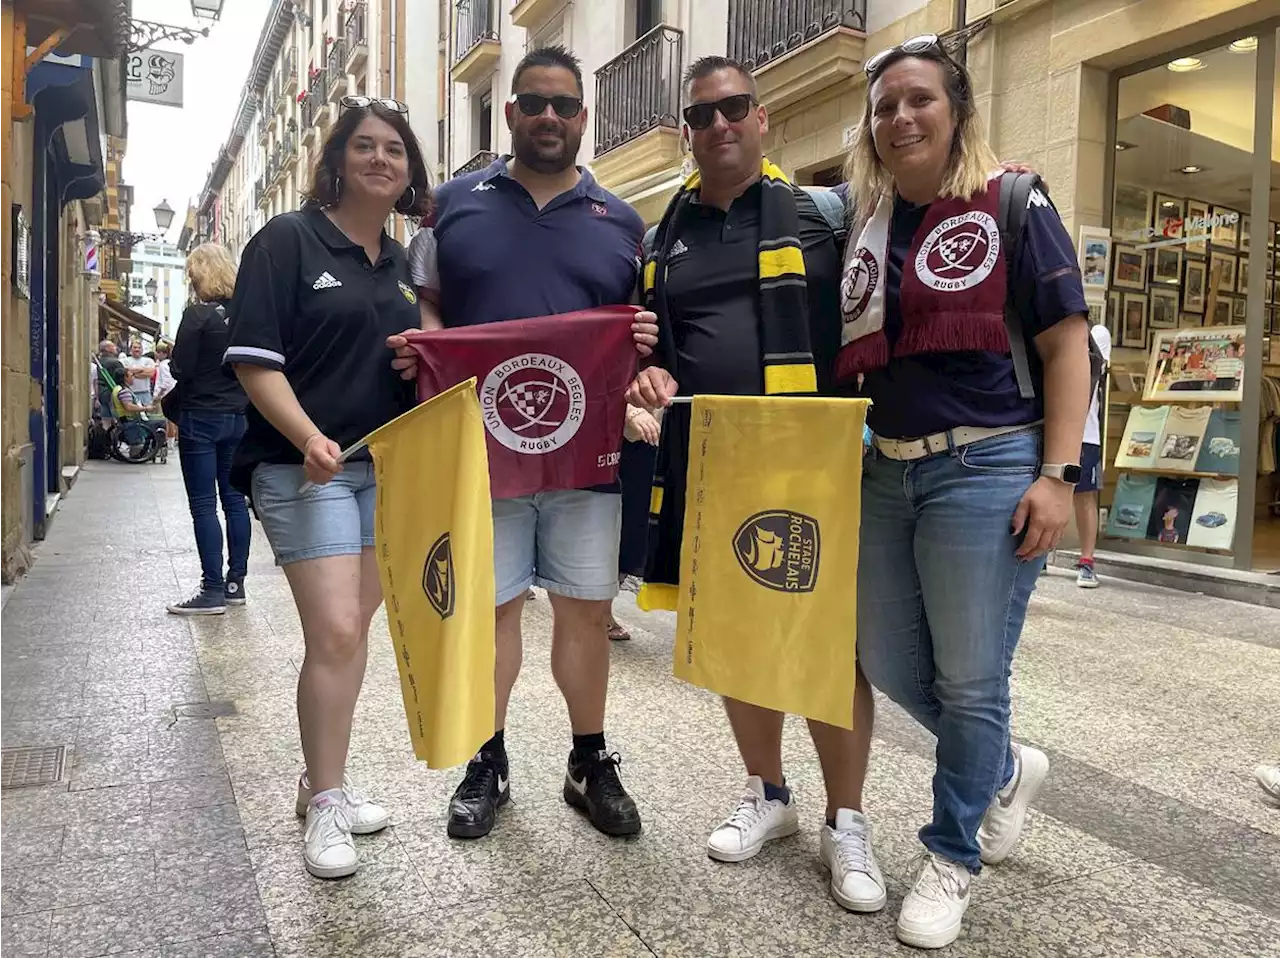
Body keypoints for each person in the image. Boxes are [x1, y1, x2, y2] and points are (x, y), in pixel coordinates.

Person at [838, 35, 1090, 948]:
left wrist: (1059, 477)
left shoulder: (1013, 201)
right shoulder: (864, 224)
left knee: (972, 679)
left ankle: (951, 853)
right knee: (886, 657)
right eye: (886, 106)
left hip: (989, 465)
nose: (901, 117)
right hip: (886, 466)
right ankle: (1003, 771)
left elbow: (1067, 343)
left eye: (920, 100)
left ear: (957, 112)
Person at [625, 56, 886, 914]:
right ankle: (768, 794)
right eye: (702, 116)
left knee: (829, 643)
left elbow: (872, 316)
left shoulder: (825, 214)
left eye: (734, 108)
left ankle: (847, 818)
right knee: (738, 633)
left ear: (762, 118)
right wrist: (650, 375)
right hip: (716, 457)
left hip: (813, 459)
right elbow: (651, 346)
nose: (720, 125)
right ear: (689, 131)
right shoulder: (666, 234)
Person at [392, 45, 655, 841]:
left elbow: (634, 335)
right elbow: (426, 303)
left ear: (584, 117)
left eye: (564, 106)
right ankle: (488, 759)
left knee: (585, 611)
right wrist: (428, 352)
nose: (548, 117)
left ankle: (588, 758)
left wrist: (642, 343)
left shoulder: (624, 222)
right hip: (483, 456)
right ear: (509, 113)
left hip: (587, 460)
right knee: (491, 612)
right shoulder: (451, 206)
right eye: (533, 103)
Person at [224, 97, 431, 879]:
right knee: (339, 630)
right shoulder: (287, 240)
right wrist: (307, 434)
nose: (382, 160)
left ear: (410, 172)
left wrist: (420, 359)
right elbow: (254, 359)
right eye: (366, 147)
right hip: (302, 468)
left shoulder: (406, 263)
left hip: (386, 470)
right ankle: (328, 802)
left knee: (346, 633)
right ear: (338, 159)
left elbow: (419, 359)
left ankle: (322, 782)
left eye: (396, 152)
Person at [166, 244, 252, 617]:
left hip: (201, 417)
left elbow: (180, 367)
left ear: (201, 274)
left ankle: (211, 590)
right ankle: (236, 585)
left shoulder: (197, 315)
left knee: (204, 505)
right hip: (240, 415)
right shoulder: (245, 312)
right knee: (234, 501)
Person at [607, 405, 661, 642]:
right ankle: (600, 608)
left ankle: (601, 607)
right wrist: (630, 410)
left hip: (662, 435)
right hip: (621, 436)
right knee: (622, 523)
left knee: (639, 530)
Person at [1075, 321, 1111, 588]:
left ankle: (1087, 561)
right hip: (1051, 426)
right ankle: (1038, 557)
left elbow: (1095, 368)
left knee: (1085, 495)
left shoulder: (1098, 333)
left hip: (1086, 432)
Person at [153, 341, 178, 445]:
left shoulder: (163, 365)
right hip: (172, 392)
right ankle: (174, 439)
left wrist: (158, 395)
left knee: (167, 419)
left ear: (162, 353)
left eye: (158, 352)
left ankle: (170, 440)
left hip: (165, 394)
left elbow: (165, 382)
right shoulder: (170, 364)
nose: (157, 354)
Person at [97, 340, 125, 420]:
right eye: (113, 346)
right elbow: (122, 378)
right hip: (113, 393)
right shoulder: (115, 363)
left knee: (106, 419)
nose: (116, 347)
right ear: (108, 349)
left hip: (101, 392)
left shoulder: (98, 361)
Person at [123, 341, 156, 407]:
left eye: (139, 347)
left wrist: (132, 373)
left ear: (142, 349)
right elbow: (125, 373)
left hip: (145, 392)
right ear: (131, 349)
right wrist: (143, 370)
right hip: (129, 393)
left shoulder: (149, 361)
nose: (137, 349)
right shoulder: (124, 361)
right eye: (135, 347)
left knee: (147, 413)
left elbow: (151, 373)